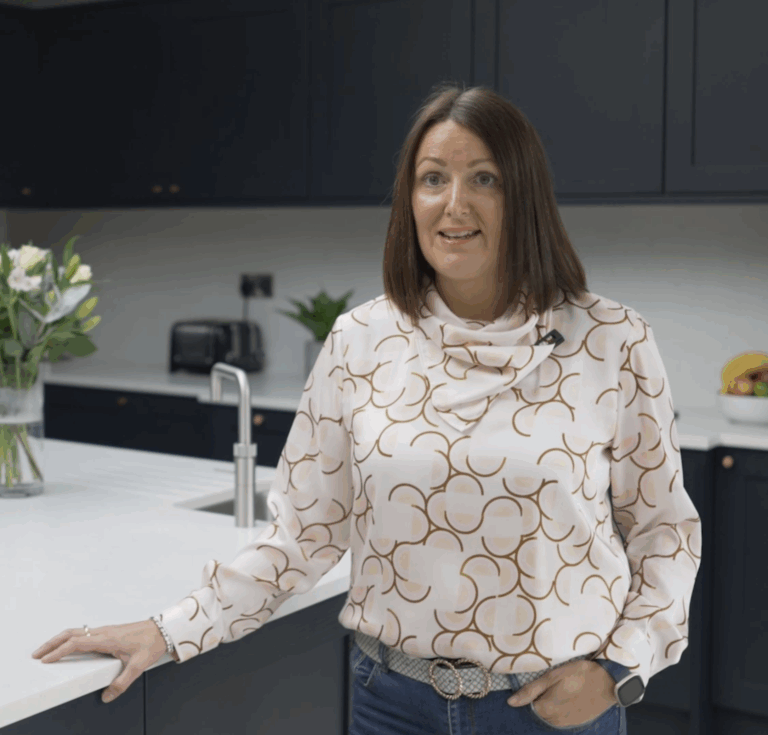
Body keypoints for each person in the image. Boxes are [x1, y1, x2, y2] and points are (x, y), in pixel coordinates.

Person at [32, 82, 701, 734]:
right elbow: (303, 533)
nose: (454, 204)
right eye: (433, 178)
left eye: (485, 179)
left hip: (553, 711)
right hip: (392, 703)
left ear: (525, 194)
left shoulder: (611, 338)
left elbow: (666, 533)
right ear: (409, 199)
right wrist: (170, 628)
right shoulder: (361, 340)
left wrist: (619, 668)